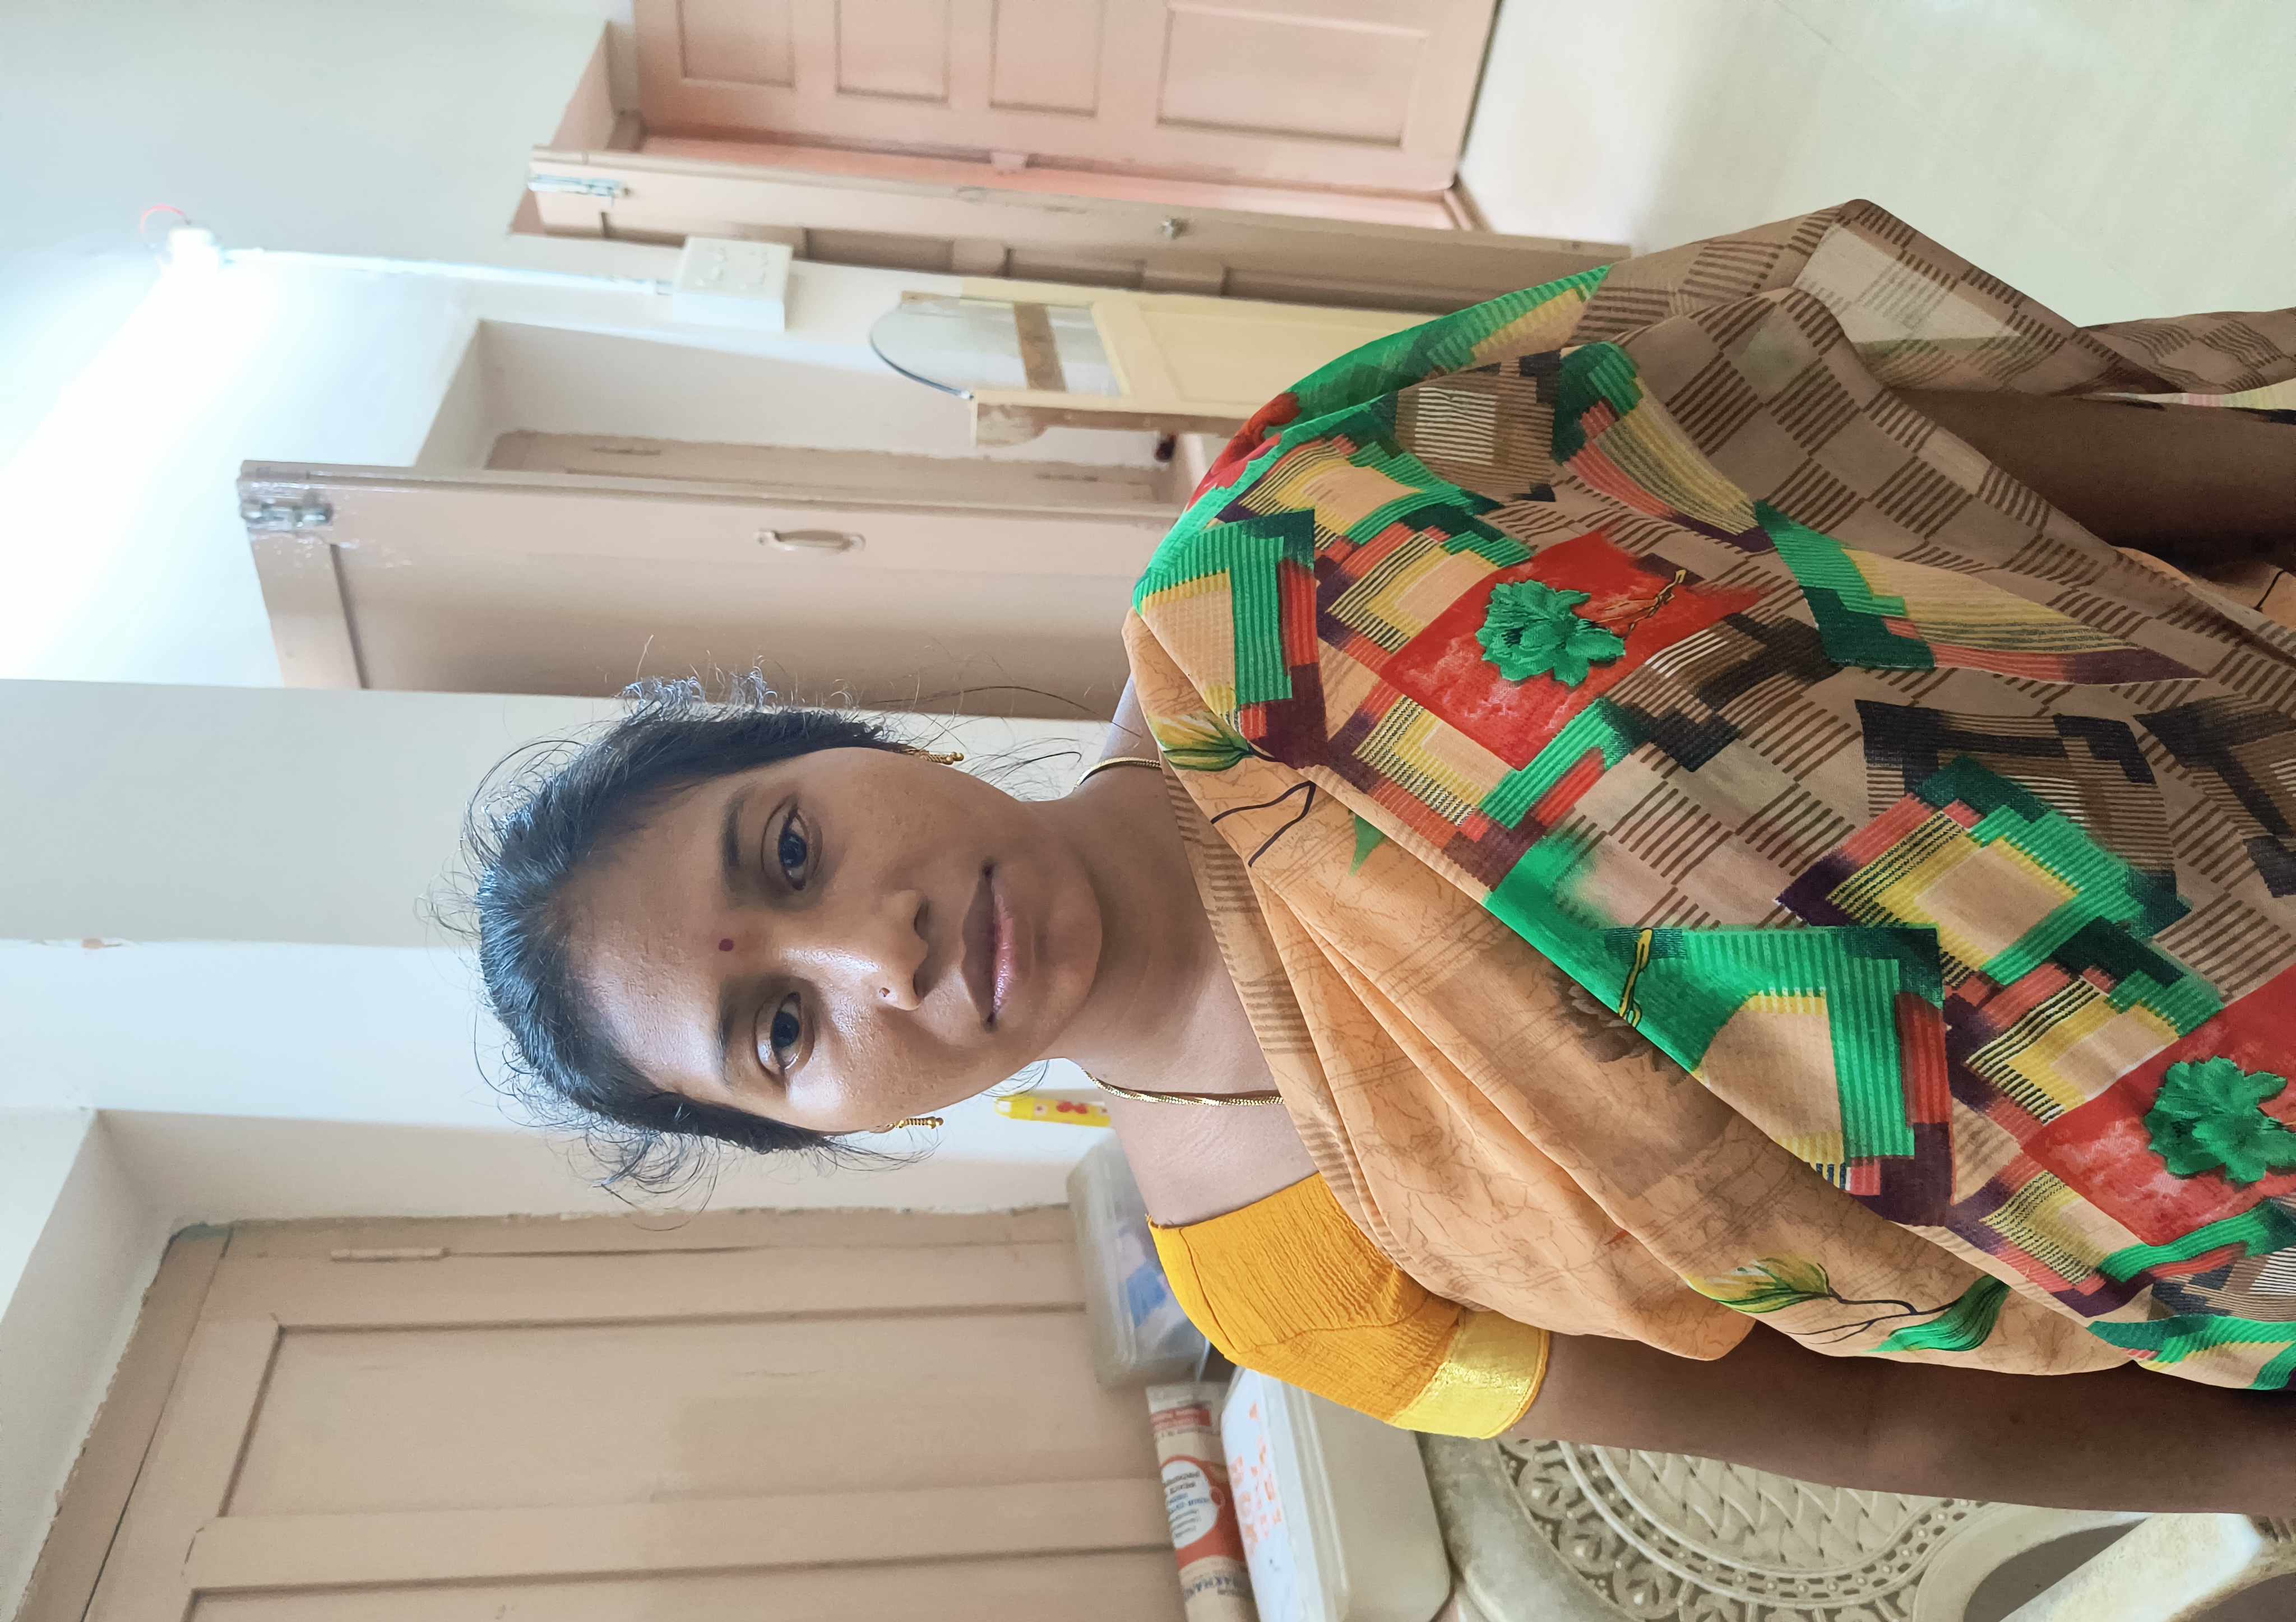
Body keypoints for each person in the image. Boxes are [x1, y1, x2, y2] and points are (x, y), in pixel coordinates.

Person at [467, 203, 2296, 1513]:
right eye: (783, 1031)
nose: (884, 953)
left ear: (859, 745)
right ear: (827, 1133)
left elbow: (1901, 473)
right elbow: (1882, 1429)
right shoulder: (1278, 1281)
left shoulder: (1294, 550)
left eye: (790, 848)